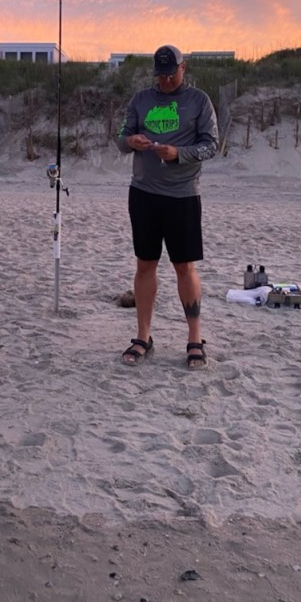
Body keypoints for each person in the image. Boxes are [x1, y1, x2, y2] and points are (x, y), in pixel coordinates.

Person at [116, 44, 219, 369]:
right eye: (160, 75)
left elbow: (211, 145)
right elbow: (121, 138)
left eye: (171, 74)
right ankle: (143, 337)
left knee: (184, 266)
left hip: (183, 195)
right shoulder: (140, 100)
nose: (165, 80)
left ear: (182, 67)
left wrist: (179, 154)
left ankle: (194, 338)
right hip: (143, 193)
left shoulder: (199, 101)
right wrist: (131, 141)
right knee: (145, 265)